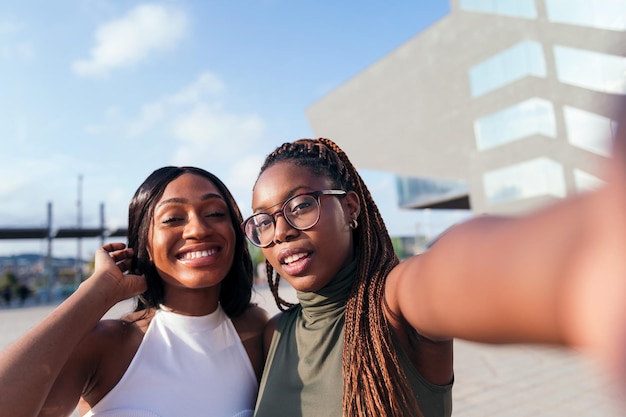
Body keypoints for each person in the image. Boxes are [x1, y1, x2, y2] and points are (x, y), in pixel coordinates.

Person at [243, 101, 626, 417]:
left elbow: (452, 272)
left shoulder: (394, 305)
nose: (281, 231)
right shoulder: (273, 334)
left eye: (301, 205)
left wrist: (589, 256)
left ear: (351, 207)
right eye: (263, 221)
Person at [0, 166, 269, 417]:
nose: (198, 229)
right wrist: (95, 293)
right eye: (173, 218)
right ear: (145, 242)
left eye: (215, 213)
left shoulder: (258, 331)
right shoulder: (105, 344)